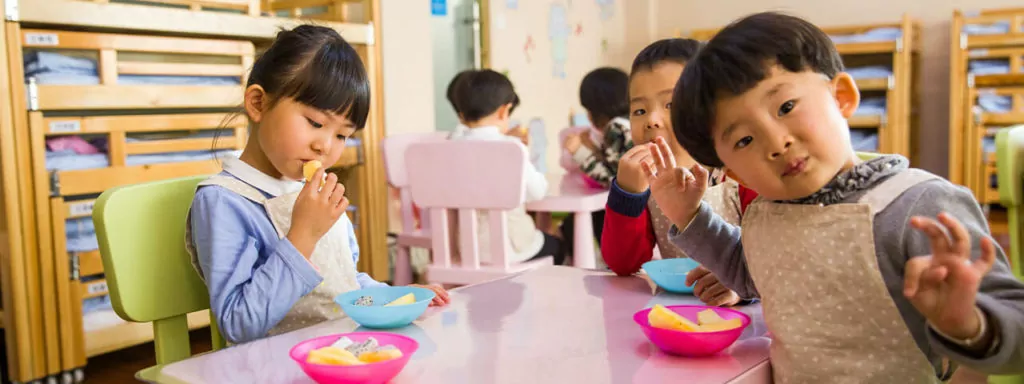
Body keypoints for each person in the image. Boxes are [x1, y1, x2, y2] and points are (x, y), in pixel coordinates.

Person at [648, 12, 1024, 381]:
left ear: (841, 97)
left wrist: (969, 325)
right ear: (732, 172)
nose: (777, 143)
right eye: (744, 140)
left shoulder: (919, 205)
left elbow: (1015, 322)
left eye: (786, 107)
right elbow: (750, 274)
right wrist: (690, 214)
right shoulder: (764, 213)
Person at [186, 25, 450, 345]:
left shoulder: (312, 189)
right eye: (315, 123)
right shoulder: (224, 201)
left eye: (341, 135)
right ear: (258, 104)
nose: (326, 146)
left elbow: (342, 285)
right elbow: (238, 323)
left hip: (340, 352)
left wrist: (395, 295)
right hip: (274, 367)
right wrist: (302, 236)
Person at [601, 38, 756, 307]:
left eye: (670, 104)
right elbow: (624, 264)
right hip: (678, 308)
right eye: (639, 110)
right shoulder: (648, 181)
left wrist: (743, 287)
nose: (651, 120)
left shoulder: (741, 172)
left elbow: (780, 257)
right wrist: (628, 194)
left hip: (753, 318)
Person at [448, 69, 565, 265]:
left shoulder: (449, 147)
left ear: (461, 114)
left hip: (466, 251)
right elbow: (537, 192)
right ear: (503, 111)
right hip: (512, 249)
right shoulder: (511, 148)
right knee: (558, 246)